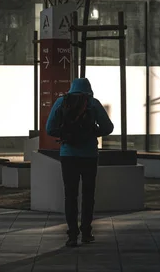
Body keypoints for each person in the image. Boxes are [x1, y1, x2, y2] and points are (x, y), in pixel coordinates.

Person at [46, 78, 113, 247]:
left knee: (70, 195)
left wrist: (65, 134)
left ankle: (72, 235)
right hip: (89, 155)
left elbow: (49, 128)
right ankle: (86, 232)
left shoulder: (62, 102)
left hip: (68, 155)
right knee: (88, 195)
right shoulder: (93, 103)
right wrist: (92, 133)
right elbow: (108, 127)